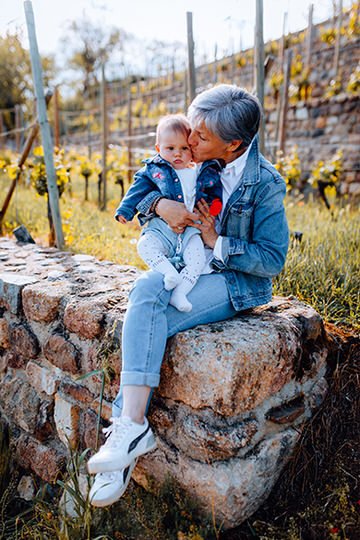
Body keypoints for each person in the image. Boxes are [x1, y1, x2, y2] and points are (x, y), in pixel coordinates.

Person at [87, 84, 289, 507]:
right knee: (145, 287)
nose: (189, 141)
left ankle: (123, 438)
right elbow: (151, 185)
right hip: (184, 264)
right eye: (191, 130)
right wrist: (159, 205)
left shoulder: (265, 183)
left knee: (148, 320)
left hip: (230, 279)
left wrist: (217, 242)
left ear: (233, 144)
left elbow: (272, 260)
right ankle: (132, 430)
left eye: (199, 137)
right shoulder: (191, 156)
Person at [114, 114, 223, 312]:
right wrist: (125, 210)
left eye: (184, 148)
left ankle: (179, 293)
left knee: (197, 260)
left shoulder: (201, 171)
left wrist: (215, 205)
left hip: (190, 229)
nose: (177, 154)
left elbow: (213, 190)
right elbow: (137, 190)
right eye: (170, 148)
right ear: (158, 149)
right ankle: (168, 271)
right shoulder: (154, 170)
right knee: (145, 246)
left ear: (192, 148)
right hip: (160, 227)